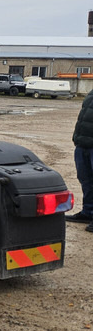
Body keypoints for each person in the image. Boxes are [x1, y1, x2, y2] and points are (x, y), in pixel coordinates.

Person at [68, 89, 93, 230]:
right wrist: (77, 138)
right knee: (86, 181)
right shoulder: (91, 94)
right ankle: (88, 212)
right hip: (83, 145)